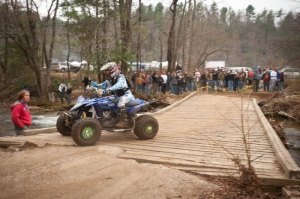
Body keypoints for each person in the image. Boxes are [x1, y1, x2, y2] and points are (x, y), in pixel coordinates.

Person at [97, 62, 134, 128]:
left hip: (126, 95)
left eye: (107, 71)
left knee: (121, 102)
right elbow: (102, 85)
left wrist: (108, 90)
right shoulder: (111, 79)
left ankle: (124, 121)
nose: (105, 73)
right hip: (118, 96)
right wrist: (93, 86)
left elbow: (119, 85)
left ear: (112, 70)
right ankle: (112, 118)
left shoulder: (120, 76)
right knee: (109, 101)